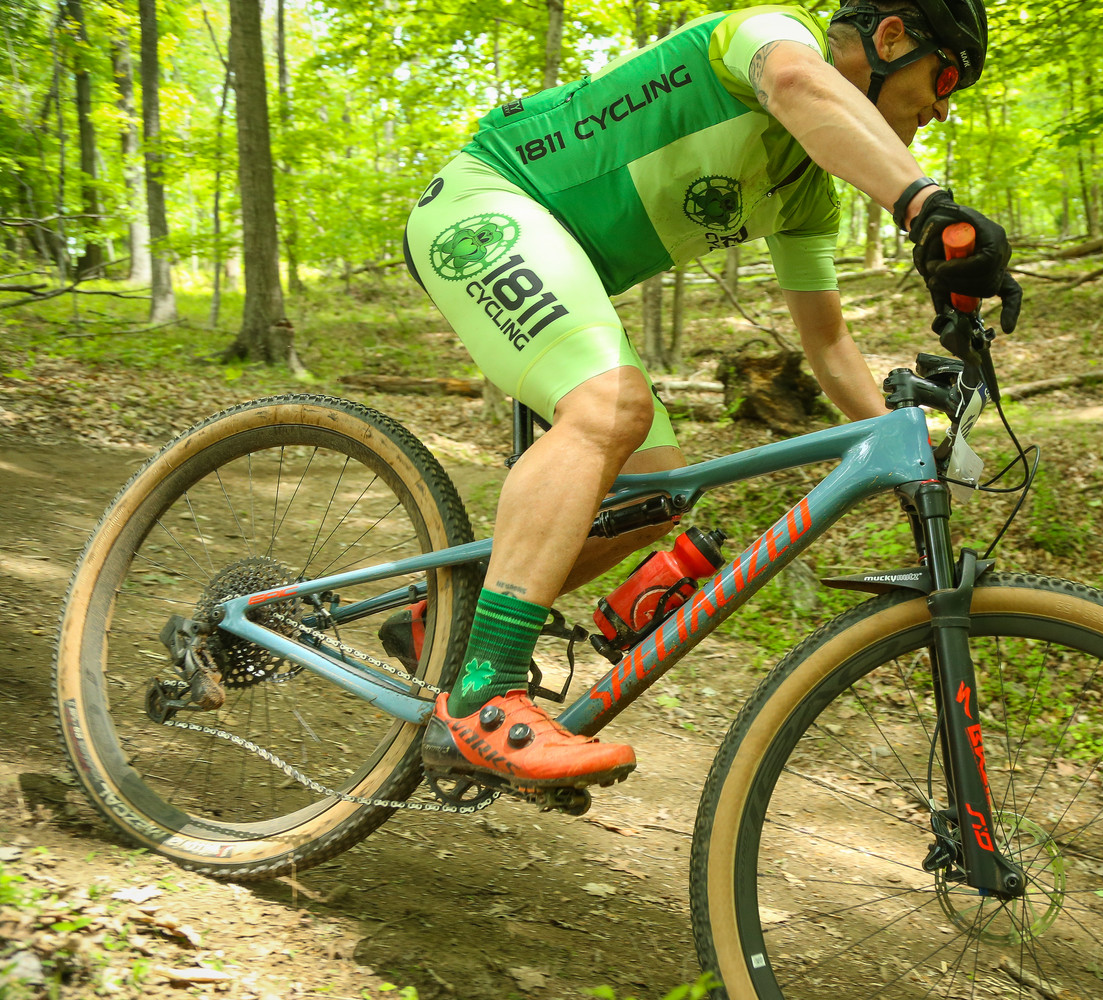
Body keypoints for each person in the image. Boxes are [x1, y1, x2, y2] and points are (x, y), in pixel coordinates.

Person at [395, 0, 1021, 790]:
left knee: (657, 492)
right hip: (485, 203)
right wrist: (924, 205)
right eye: (947, 77)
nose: (942, 107)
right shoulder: (770, 35)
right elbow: (795, 83)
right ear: (891, 36)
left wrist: (912, 449)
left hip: (558, 258)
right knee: (612, 407)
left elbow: (828, 346)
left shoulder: (807, 191)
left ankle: (445, 618)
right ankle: (483, 699)